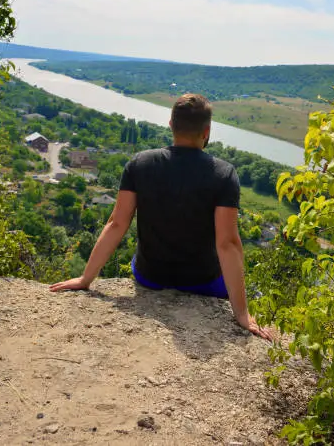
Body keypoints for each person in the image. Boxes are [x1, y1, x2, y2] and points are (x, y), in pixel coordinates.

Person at [50, 94, 273, 341]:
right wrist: (242, 314)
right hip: (204, 282)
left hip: (150, 276)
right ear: (207, 131)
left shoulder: (140, 163)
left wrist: (86, 278)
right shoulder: (223, 174)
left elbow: (117, 224)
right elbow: (227, 243)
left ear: (170, 125)